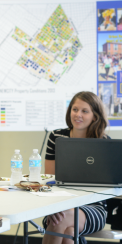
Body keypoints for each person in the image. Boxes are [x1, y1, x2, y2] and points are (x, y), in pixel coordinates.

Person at [43, 91, 109, 244]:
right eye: (75, 109)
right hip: (59, 203)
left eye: (85, 111)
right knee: (69, 232)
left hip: (93, 206)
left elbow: (107, 184)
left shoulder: (103, 142)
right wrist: (59, 206)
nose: (78, 114)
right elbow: (49, 178)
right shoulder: (56, 137)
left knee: (59, 221)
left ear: (95, 116)